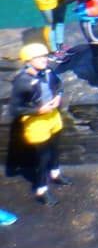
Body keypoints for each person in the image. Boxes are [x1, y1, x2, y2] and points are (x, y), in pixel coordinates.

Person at [9, 43, 72, 206]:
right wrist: (38, 110)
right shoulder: (22, 81)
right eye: (39, 57)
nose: (44, 59)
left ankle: (55, 173)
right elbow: (15, 109)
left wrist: (58, 95)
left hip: (52, 115)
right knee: (42, 157)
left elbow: (58, 85)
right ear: (29, 61)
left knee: (55, 148)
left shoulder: (49, 72)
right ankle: (41, 189)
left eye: (45, 56)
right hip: (36, 122)